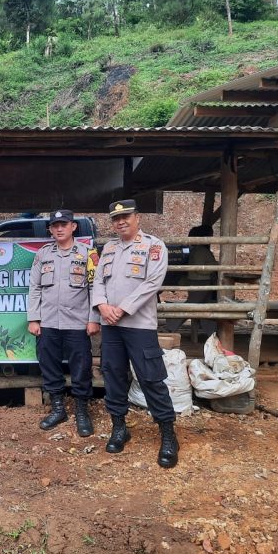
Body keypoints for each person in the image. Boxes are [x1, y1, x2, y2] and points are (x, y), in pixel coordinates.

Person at [92, 200, 179, 468]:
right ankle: (119, 428)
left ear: (137, 218)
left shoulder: (154, 246)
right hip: (111, 325)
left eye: (126, 217)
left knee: (151, 378)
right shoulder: (109, 248)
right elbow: (98, 281)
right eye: (116, 219)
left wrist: (122, 309)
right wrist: (102, 306)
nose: (121, 222)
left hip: (139, 325)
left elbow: (152, 283)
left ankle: (168, 435)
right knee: (114, 376)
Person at [27, 209, 101, 436]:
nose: (59, 229)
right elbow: (35, 287)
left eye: (63, 224)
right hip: (48, 321)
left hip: (78, 322)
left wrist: (93, 319)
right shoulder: (43, 254)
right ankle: (58, 408)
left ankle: (82, 411)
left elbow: (95, 288)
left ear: (73, 227)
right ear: (50, 229)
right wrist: (34, 318)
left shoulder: (88, 254)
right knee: (49, 364)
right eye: (55, 225)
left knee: (81, 367)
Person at [164, 225, 217, 336]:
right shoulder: (201, 251)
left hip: (201, 281)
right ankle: (170, 327)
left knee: (204, 307)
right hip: (201, 282)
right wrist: (216, 266)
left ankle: (212, 332)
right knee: (191, 306)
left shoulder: (198, 250)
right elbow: (200, 269)